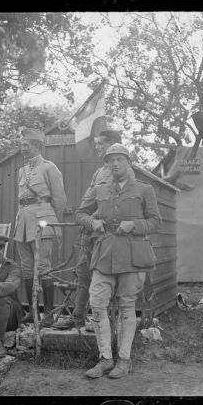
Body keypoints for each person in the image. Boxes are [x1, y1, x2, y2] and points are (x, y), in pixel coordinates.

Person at [75, 144, 162, 379]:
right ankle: (105, 359)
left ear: (128, 163)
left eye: (119, 160)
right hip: (104, 255)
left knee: (126, 307)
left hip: (133, 256)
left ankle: (124, 359)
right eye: (110, 160)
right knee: (97, 302)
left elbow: (155, 222)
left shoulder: (145, 189)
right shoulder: (99, 189)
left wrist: (134, 225)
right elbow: (80, 213)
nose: (115, 164)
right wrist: (92, 223)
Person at [53, 129, 122, 330]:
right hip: (89, 230)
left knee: (104, 275)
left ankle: (101, 319)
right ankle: (78, 316)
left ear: (114, 144)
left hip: (107, 232)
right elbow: (89, 203)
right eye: (96, 143)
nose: (97, 147)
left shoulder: (123, 171)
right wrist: (85, 219)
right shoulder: (99, 172)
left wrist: (91, 219)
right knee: (82, 272)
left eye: (101, 143)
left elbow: (117, 204)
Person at [13, 128, 67, 328]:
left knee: (43, 267)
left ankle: (49, 313)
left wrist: (53, 222)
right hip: (23, 222)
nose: (22, 148)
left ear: (37, 146)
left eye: (26, 145)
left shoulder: (49, 167)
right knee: (27, 268)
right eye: (22, 144)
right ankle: (32, 310)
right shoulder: (22, 171)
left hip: (43, 220)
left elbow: (59, 198)